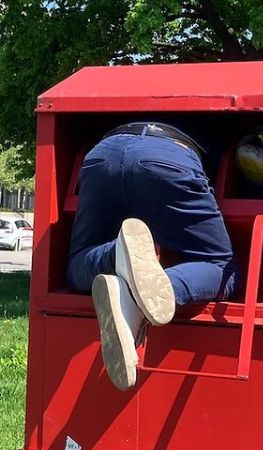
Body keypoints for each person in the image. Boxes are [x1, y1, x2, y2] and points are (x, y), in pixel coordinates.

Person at [66, 122, 240, 390]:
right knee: (221, 267)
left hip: (102, 154)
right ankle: (143, 297)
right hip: (169, 156)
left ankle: (117, 254)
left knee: (78, 260)